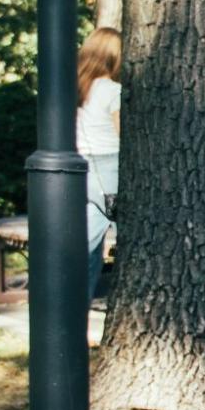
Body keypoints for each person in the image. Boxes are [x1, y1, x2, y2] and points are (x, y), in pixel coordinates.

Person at [76, 27, 122, 304]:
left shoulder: (77, 89)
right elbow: (122, 134)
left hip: (81, 170)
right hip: (110, 170)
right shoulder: (113, 90)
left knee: (88, 248)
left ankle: (75, 311)